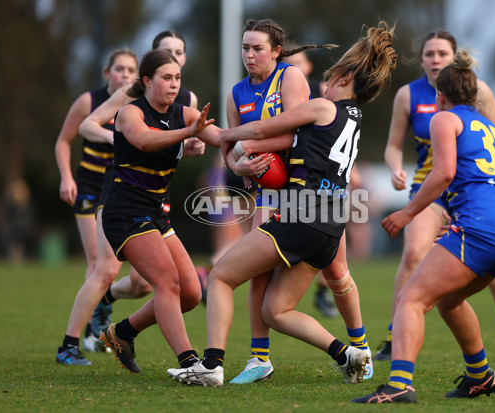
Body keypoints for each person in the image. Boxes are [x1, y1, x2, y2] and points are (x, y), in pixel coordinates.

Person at [167, 21, 398, 387]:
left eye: (330, 77)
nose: (324, 82)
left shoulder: (322, 107)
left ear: (344, 78)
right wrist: (238, 159)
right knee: (276, 309)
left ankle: (211, 365)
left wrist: (226, 137)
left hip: (300, 213)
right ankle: (350, 353)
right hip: (329, 221)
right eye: (245, 48)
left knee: (222, 276)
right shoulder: (353, 118)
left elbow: (263, 130)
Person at [353, 49, 495, 403]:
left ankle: (399, 385)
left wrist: (407, 213)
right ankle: (481, 376)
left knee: (411, 299)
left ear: (440, 94)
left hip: (481, 228)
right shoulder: (491, 126)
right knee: (449, 300)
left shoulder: (443, 118)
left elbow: (444, 172)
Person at [56, 33, 205, 366]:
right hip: (109, 191)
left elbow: (199, 139)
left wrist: (226, 152)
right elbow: (88, 128)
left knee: (161, 287)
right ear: (146, 71)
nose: (175, 61)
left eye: (179, 54)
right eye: (167, 55)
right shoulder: (127, 99)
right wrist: (120, 136)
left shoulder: (186, 102)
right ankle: (70, 344)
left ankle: (120, 329)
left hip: (155, 200)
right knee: (109, 269)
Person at [94, 49, 223, 374]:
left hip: (155, 213)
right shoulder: (129, 113)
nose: (174, 84)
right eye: (166, 78)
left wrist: (246, 157)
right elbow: (143, 141)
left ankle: (122, 332)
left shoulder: (185, 114)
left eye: (177, 77)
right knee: (167, 282)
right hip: (124, 212)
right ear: (147, 81)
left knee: (192, 294)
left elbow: (222, 138)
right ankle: (190, 362)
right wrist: (187, 134)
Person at [54, 48, 138, 354]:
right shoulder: (89, 102)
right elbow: (64, 139)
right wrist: (67, 176)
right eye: (119, 69)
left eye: (131, 70)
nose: (125, 75)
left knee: (131, 278)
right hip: (90, 189)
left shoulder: (138, 104)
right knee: (99, 264)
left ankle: (98, 311)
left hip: (120, 192)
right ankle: (84, 335)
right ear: (107, 73)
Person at [282, 50, 338, 318]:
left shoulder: (323, 93)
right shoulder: (271, 89)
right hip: (282, 184)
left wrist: (235, 141)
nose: (294, 69)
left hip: (319, 186)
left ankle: (357, 340)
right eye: (288, 65)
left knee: (339, 269)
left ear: (309, 66)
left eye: (298, 64)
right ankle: (259, 351)